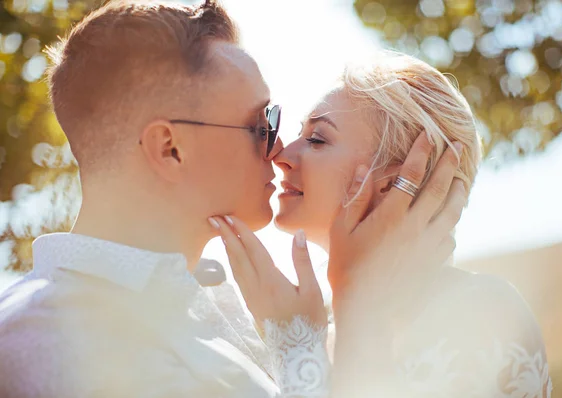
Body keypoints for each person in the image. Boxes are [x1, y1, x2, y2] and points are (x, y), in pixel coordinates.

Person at [0, 1, 466, 397]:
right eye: (260, 126)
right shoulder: (50, 339)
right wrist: (320, 335)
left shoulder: (218, 306)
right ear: (170, 149)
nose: (278, 150)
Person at [211, 53, 553, 397]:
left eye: (317, 139)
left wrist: (295, 347)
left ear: (397, 180)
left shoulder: (480, 310)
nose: (281, 156)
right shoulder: (324, 332)